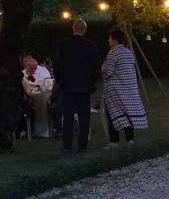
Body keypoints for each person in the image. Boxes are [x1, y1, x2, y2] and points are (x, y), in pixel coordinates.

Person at [54, 19, 101, 153]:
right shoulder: (91, 45)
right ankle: (83, 145)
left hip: (68, 86)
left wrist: (60, 80)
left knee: (68, 117)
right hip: (84, 86)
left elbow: (56, 65)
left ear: (73, 29)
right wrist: (91, 81)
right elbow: (96, 67)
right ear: (84, 30)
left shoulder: (63, 44)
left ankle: (67, 145)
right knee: (84, 116)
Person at [102, 28, 148, 147]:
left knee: (113, 113)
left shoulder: (113, 53)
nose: (108, 40)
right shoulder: (129, 53)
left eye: (110, 38)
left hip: (116, 90)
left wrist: (103, 69)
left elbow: (109, 73)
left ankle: (114, 141)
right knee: (128, 113)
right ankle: (130, 139)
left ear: (115, 40)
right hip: (129, 89)